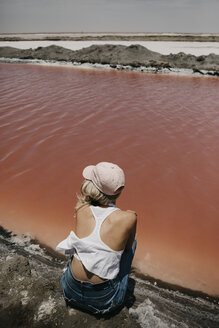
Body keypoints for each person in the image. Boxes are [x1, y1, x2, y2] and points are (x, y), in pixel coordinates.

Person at [56, 162, 137, 314]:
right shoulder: (129, 218)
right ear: (120, 190)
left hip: (69, 290)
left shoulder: (81, 207)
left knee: (81, 243)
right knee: (132, 244)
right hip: (104, 302)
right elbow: (127, 250)